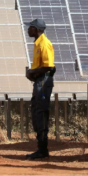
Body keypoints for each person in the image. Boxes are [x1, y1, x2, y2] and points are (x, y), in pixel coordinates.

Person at [24, 18, 55, 160]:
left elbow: (49, 66)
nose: (28, 30)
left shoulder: (44, 44)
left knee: (41, 113)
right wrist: (32, 74)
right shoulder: (37, 44)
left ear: (37, 29)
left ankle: (43, 150)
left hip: (43, 82)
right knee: (36, 112)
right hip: (39, 82)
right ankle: (41, 148)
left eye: (30, 27)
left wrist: (33, 72)